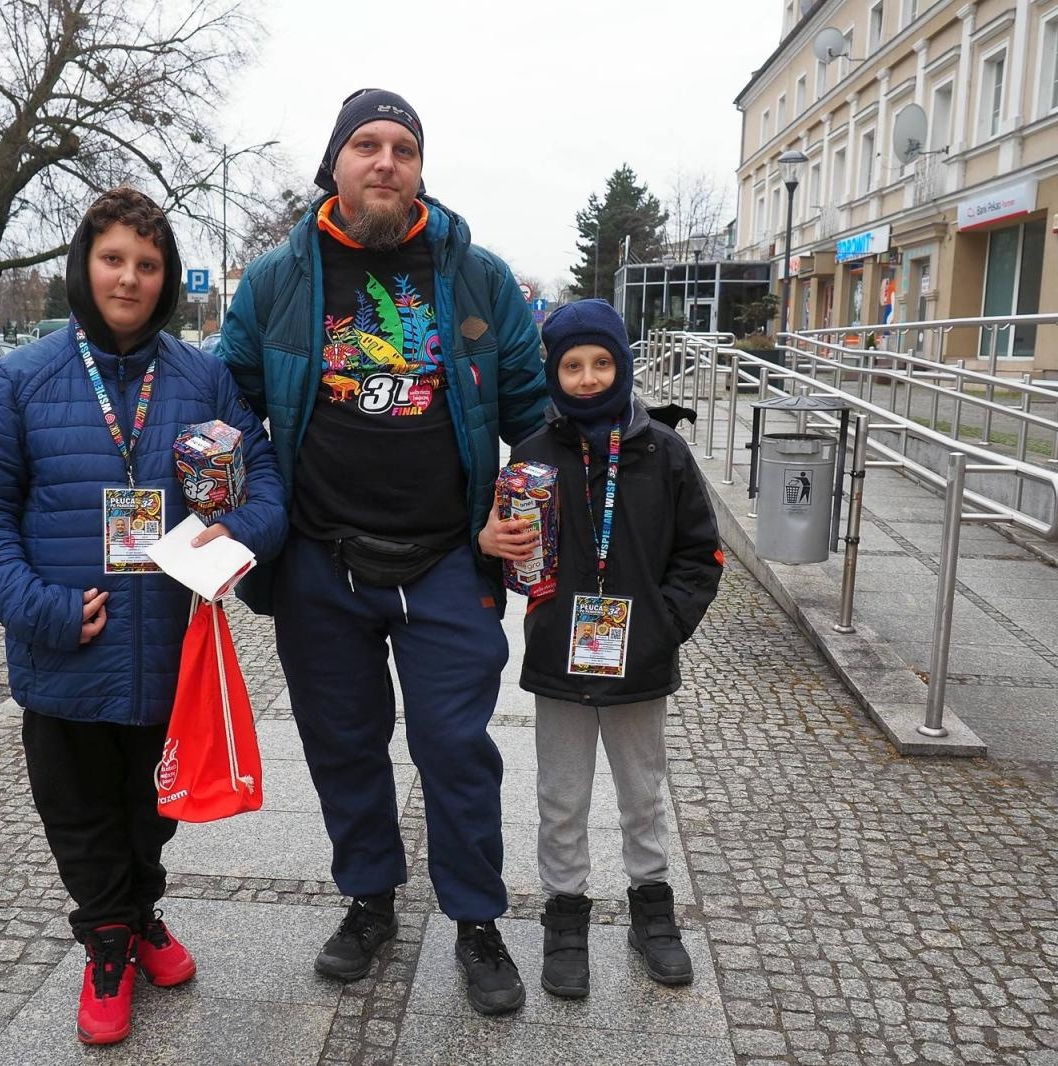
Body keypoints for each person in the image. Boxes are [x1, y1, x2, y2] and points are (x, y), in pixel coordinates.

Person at [217, 88, 549, 1015]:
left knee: (455, 748)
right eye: (367, 144)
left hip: (450, 557)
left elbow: (533, 413)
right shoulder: (277, 279)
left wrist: (533, 502)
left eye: (403, 147)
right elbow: (232, 404)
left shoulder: (477, 277)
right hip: (323, 559)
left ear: (420, 170)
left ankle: (478, 921)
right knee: (343, 744)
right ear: (334, 163)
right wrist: (231, 513)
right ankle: (369, 900)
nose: (385, 161)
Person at [0, 186, 286, 1046]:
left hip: (170, 649)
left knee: (152, 810)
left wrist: (227, 540)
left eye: (146, 263)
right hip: (68, 649)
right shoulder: (23, 381)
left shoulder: (203, 377)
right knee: (80, 810)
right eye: (113, 260)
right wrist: (45, 612)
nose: (129, 278)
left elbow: (266, 485)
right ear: (83, 266)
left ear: (165, 276)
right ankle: (108, 943)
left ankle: (138, 915)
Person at [480, 298, 723, 999]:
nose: (587, 378)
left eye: (601, 363)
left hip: (640, 662)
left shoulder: (663, 451)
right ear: (555, 373)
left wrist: (662, 624)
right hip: (560, 659)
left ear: (621, 365)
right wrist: (497, 550)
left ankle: (652, 909)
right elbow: (512, 558)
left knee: (642, 795)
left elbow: (699, 552)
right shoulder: (531, 456)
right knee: (560, 798)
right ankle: (566, 915)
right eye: (572, 365)